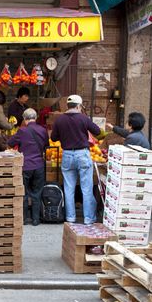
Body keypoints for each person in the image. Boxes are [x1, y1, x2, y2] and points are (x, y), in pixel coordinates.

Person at [51, 95, 101, 225]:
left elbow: (54, 138)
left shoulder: (60, 120)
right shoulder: (83, 118)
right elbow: (97, 131)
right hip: (82, 155)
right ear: (78, 106)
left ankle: (71, 218)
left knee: (68, 188)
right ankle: (88, 218)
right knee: (86, 188)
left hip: (67, 155)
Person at [7, 108, 49, 225]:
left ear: (25, 119)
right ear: (35, 118)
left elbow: (10, 143)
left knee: (24, 192)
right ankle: (36, 219)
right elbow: (47, 145)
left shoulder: (22, 131)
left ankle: (25, 218)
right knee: (37, 192)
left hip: (25, 166)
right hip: (39, 165)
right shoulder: (43, 130)